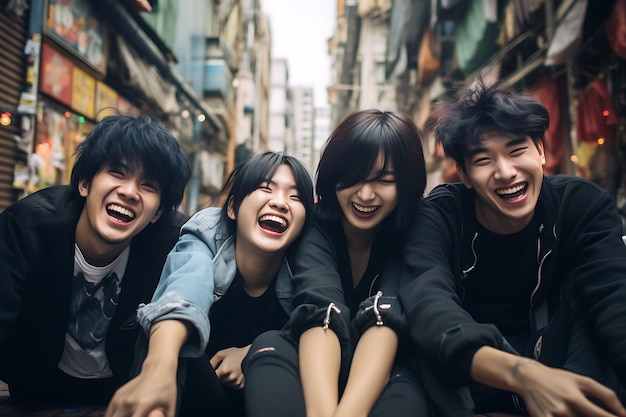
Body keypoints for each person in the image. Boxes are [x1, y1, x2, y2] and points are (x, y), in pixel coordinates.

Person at [400, 79, 626, 417]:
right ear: (462, 174)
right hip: (476, 374)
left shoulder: (580, 205)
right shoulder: (440, 216)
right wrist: (522, 376)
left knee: (585, 289)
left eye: (516, 150)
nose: (505, 172)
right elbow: (428, 304)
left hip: (562, 362)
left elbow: (614, 301)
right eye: (483, 160)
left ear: (541, 151)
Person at [243, 109, 430, 417]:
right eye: (354, 178)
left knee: (411, 386)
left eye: (384, 181)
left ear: (406, 184)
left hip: (387, 370)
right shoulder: (315, 224)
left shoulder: (413, 230)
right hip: (311, 360)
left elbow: (385, 316)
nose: (366, 194)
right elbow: (320, 308)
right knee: (268, 346)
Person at [105, 151, 315, 417]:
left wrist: (253, 353)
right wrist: (160, 371)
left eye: (295, 197)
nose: (281, 203)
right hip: (198, 395)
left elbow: (319, 324)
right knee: (167, 336)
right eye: (266, 189)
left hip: (266, 395)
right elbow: (184, 290)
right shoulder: (206, 234)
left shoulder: (309, 259)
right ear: (232, 208)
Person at [0, 114, 191, 405]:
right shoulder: (27, 228)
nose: (129, 192)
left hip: (124, 398)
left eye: (148, 185)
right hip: (35, 392)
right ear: (85, 183)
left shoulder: (173, 242)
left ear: (158, 213)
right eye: (117, 172)